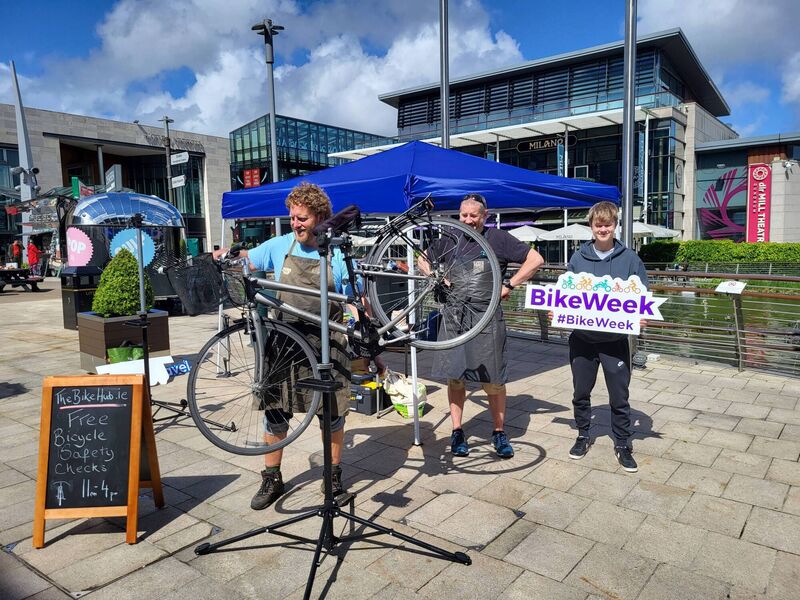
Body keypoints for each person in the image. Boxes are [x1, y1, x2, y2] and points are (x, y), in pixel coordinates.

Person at [213, 182, 357, 510]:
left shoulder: (334, 250)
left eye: (302, 218)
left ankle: (332, 479)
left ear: (321, 217)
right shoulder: (280, 245)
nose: (296, 223)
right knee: (275, 412)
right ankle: (271, 478)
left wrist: (359, 318)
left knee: (332, 416)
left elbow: (352, 293)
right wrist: (229, 256)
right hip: (285, 341)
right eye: (292, 217)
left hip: (327, 343)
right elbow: (249, 261)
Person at [432, 193, 544, 459]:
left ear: (485, 216)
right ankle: (457, 431)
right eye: (463, 215)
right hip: (454, 316)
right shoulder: (449, 237)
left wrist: (510, 285)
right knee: (455, 377)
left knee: (493, 380)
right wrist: (435, 276)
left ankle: (498, 431)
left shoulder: (499, 239)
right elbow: (424, 259)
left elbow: (535, 260)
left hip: (487, 318)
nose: (468, 220)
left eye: (473, 216)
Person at [564, 200, 648, 473]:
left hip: (615, 342)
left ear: (615, 226)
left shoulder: (630, 259)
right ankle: (582, 434)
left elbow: (642, 295)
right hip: (582, 340)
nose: (603, 229)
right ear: (591, 226)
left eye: (608, 224)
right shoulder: (578, 258)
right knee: (580, 392)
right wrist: (558, 310)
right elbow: (566, 293)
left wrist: (641, 314)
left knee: (619, 396)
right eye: (598, 225)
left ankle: (623, 443)